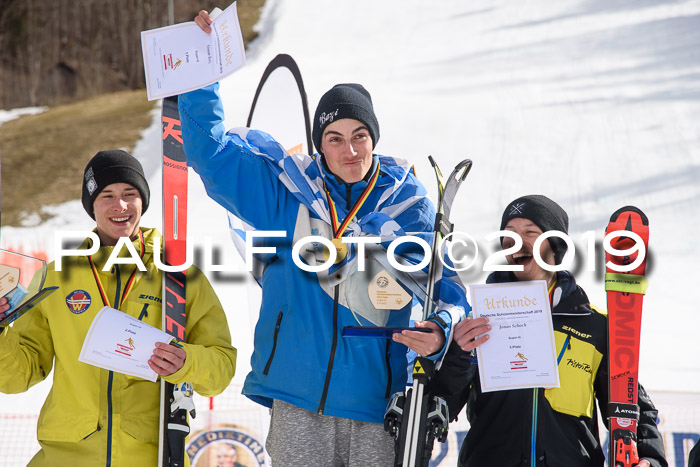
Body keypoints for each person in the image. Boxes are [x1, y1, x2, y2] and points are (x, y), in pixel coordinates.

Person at [177, 10, 469, 466]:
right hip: (298, 396)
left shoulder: (406, 206)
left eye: (359, 136)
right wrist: (201, 73)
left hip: (377, 403)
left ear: (374, 138)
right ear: (319, 142)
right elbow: (210, 155)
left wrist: (440, 330)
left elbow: (449, 291)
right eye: (334, 138)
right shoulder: (286, 195)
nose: (348, 150)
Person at [0, 150, 237, 467]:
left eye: (130, 194)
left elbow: (221, 367)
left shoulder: (179, 275)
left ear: (143, 201)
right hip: (66, 456)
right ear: (91, 205)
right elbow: (21, 374)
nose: (120, 205)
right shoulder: (57, 277)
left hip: (146, 455)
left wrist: (187, 361)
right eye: (106, 195)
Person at [429, 195, 667, 467]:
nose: (516, 242)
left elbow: (632, 406)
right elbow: (441, 406)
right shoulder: (479, 319)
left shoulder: (594, 325)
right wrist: (458, 355)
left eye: (530, 232)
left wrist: (649, 459)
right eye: (508, 235)